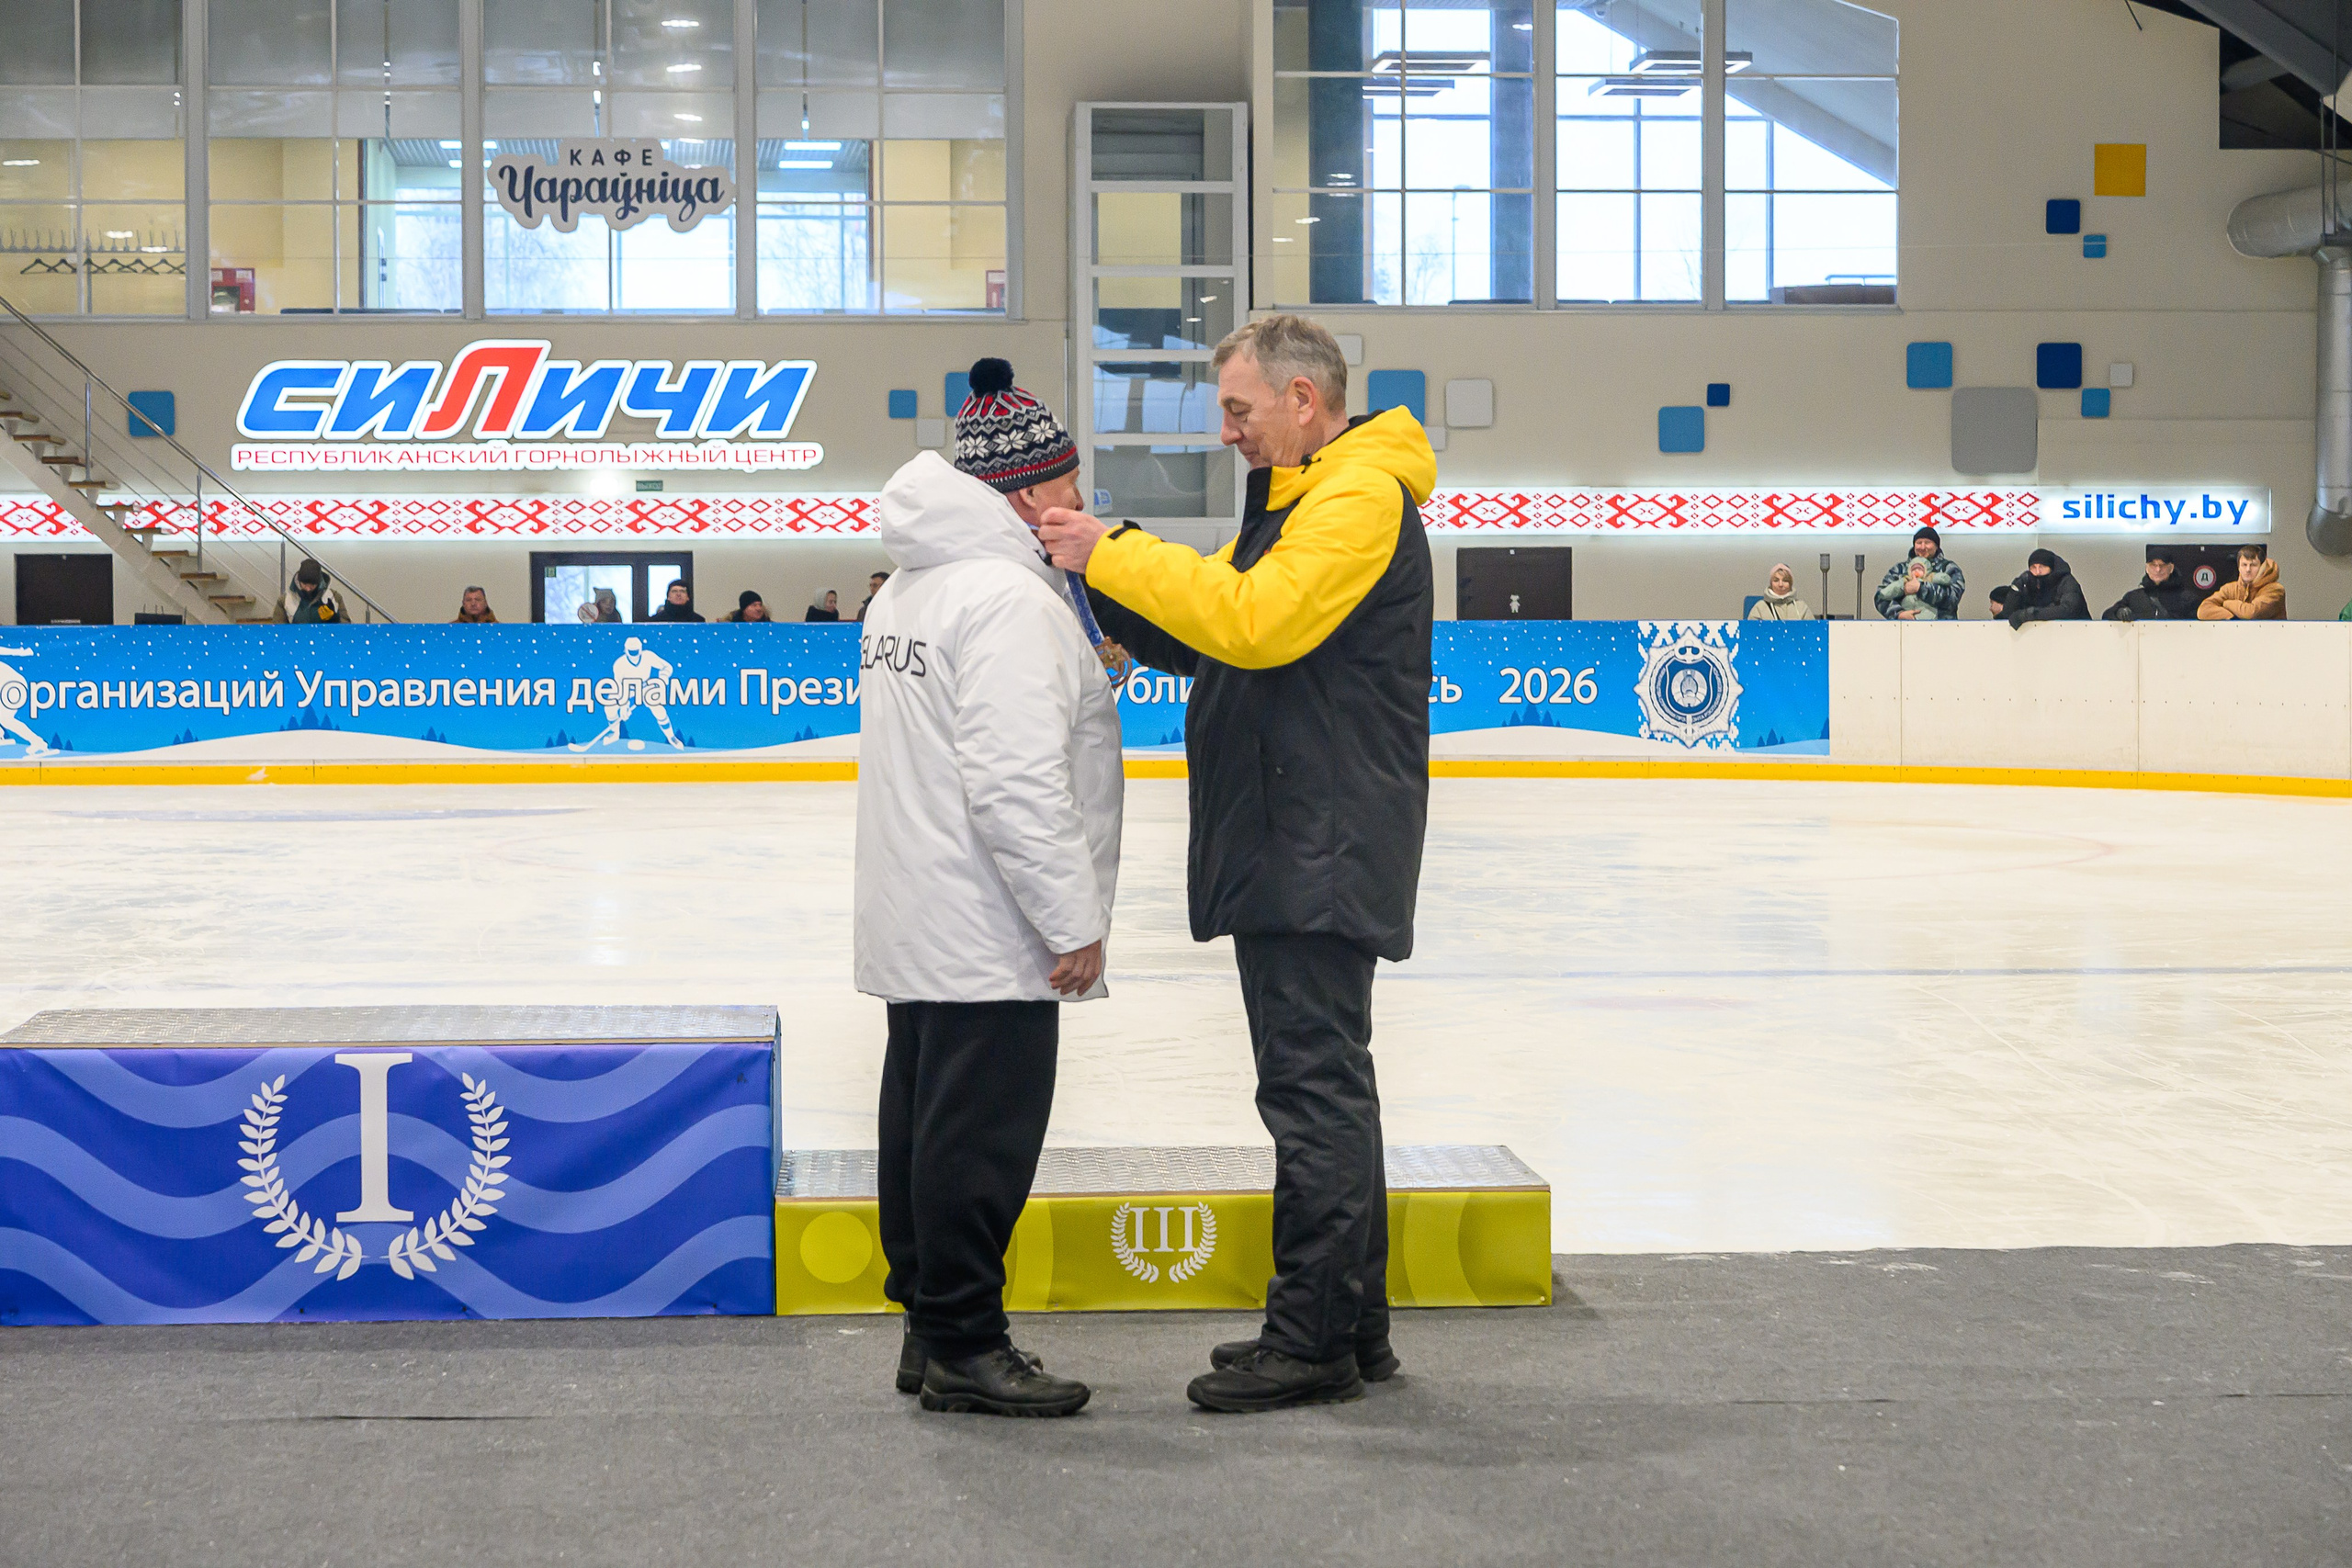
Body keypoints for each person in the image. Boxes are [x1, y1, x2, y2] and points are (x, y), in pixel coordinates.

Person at [1037, 315, 1431, 1415]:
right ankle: (1350, 1327)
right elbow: (1212, 628)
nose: (1228, 432)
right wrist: (1103, 574)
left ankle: (1309, 1338)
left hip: (1321, 836)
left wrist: (1107, 552)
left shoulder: (1354, 500)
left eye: (1240, 410)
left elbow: (1254, 623)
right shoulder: (1308, 499)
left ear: (1305, 402)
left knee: (1311, 1089)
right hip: (1302, 829)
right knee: (1329, 1083)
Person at [856, 357, 1124, 1419]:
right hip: (988, 920)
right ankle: (968, 1341)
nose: (1078, 507)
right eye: (1067, 487)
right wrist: (1072, 918)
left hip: (922, 913)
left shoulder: (911, 586)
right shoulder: (1008, 597)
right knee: (979, 1139)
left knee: (922, 1120)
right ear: (1027, 492)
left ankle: (930, 1325)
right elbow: (1015, 780)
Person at [1874, 526, 1964, 620]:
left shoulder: (1949, 568)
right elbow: (1881, 597)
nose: (1922, 547)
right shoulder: (1899, 569)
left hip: (1941, 629)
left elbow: (1953, 598)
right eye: (1919, 543)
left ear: (1936, 546)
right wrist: (1899, 613)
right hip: (1904, 629)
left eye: (1927, 543)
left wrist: (1921, 588)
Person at [1996, 547, 2090, 626]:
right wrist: (2016, 588)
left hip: (2075, 634)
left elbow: (2068, 610)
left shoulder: (2067, 582)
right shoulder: (2028, 584)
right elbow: (2008, 614)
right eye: (2033, 567)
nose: (2037, 572)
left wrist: (2031, 614)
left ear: (2050, 567)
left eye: (2042, 567)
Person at [2102, 549, 2202, 621]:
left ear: (2171, 568)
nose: (2158, 570)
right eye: (2153, 565)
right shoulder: (2134, 597)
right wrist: (2119, 612)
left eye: (2162, 565)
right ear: (2147, 568)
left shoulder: (2187, 598)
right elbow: (2107, 615)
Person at [2197, 544, 2286, 620]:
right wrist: (2231, 618)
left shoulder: (2275, 590)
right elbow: (2203, 610)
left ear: (2262, 567)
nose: (2248, 570)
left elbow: (2251, 613)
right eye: (2244, 565)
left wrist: (2226, 603)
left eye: (2253, 565)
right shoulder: (2230, 589)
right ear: (2238, 568)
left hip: (2269, 639)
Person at [275, 558, 346, 625]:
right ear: (298, 581)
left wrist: (334, 619)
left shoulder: (334, 597)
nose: (308, 589)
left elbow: (346, 627)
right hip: (296, 638)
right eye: (305, 584)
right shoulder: (284, 600)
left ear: (319, 583)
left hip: (326, 638)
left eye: (312, 584)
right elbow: (278, 629)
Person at [1747, 563, 1813, 621]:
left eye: (1785, 580)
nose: (1780, 584)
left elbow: (1813, 631)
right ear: (1771, 583)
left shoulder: (1802, 607)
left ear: (1790, 583)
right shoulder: (1760, 608)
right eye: (1776, 580)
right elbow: (1751, 632)